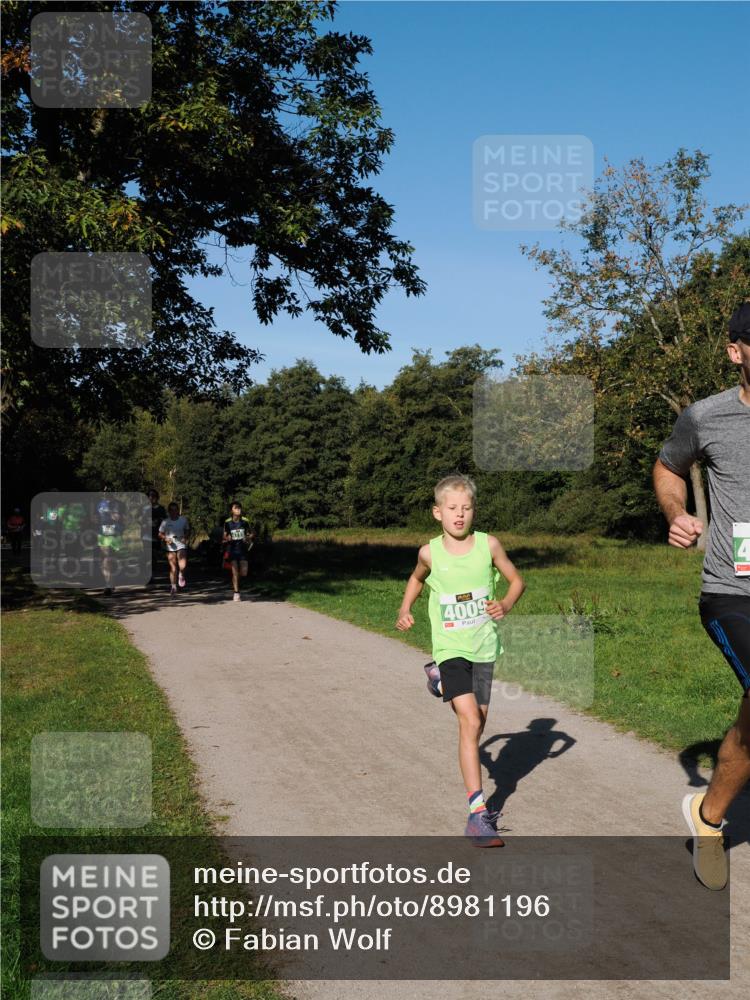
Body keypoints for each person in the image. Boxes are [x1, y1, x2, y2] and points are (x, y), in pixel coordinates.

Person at [653, 301, 750, 891]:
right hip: (732, 591)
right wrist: (677, 512)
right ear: (737, 352)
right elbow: (668, 467)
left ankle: (708, 815)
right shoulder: (705, 417)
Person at [396, 474, 525, 846]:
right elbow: (417, 579)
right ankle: (477, 815)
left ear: (474, 511)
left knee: (478, 723)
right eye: (452, 508)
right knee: (469, 721)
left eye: (466, 508)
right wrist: (405, 608)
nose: (459, 514)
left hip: (483, 648)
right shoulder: (429, 553)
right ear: (437, 512)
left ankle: (438, 679)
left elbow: (517, 581)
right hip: (450, 648)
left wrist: (506, 604)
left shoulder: (489, 545)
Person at [223, 501, 255, 602]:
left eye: (239, 508)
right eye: (236, 508)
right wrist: (227, 538)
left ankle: (235, 580)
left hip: (243, 550)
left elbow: (252, 533)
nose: (238, 510)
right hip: (232, 549)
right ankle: (236, 593)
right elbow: (224, 535)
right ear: (231, 510)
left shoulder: (245, 521)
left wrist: (248, 537)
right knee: (235, 572)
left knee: (244, 573)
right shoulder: (227, 522)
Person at [96, 490, 125, 596]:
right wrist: (94, 520)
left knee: (111, 559)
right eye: (104, 490)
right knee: (104, 559)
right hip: (102, 533)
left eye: (108, 490)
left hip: (115, 533)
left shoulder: (119, 504)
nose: (106, 492)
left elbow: (124, 518)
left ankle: (110, 583)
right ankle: (109, 584)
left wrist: (117, 517)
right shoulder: (99, 504)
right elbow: (95, 518)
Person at [159, 502, 189, 597]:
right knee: (173, 567)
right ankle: (173, 587)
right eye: (171, 510)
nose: (173, 512)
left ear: (178, 511)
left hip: (181, 544)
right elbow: (160, 534)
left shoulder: (183, 520)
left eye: (175, 510)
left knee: (183, 565)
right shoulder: (165, 522)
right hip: (170, 546)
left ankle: (181, 575)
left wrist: (185, 537)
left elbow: (187, 530)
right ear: (169, 511)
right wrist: (165, 539)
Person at [143, 489, 166, 585]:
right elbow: (138, 519)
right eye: (149, 496)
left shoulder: (161, 509)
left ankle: (152, 574)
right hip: (146, 535)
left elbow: (165, 521)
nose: (151, 498)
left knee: (154, 556)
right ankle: (148, 576)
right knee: (147, 556)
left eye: (153, 496)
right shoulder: (144, 508)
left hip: (156, 536)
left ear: (157, 498)